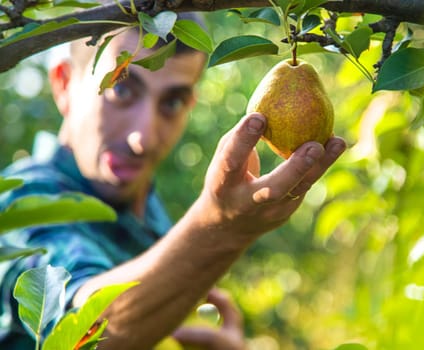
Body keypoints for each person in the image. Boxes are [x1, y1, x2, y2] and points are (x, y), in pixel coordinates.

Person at [0, 12, 346, 349]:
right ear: (63, 85)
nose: (144, 138)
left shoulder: (148, 210)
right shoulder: (22, 206)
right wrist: (220, 226)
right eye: (121, 90)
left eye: (173, 102)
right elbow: (78, 334)